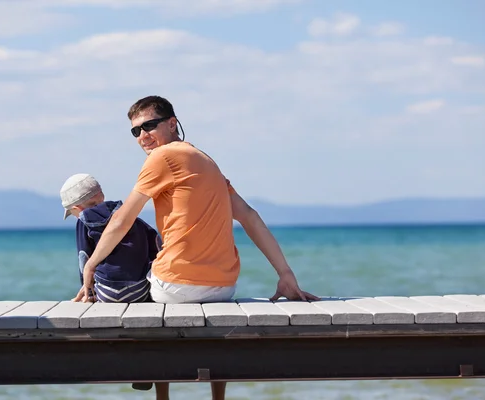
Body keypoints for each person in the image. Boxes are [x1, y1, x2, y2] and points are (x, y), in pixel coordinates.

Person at [75, 95, 318, 400]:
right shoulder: (207, 162)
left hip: (176, 286)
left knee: (139, 286)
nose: (142, 136)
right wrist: (285, 274)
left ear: (173, 123)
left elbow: (124, 218)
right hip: (223, 287)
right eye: (135, 131)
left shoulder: (161, 158)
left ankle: (156, 389)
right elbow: (250, 217)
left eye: (149, 125)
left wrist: (92, 264)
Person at [60, 173, 160, 303]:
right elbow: (156, 246)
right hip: (139, 291)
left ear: (77, 208)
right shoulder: (126, 216)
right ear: (102, 195)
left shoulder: (83, 221)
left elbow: (84, 257)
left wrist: (88, 292)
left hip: (106, 293)